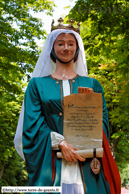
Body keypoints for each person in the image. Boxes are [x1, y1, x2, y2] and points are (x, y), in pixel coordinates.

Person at [14, 19, 121, 194]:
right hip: (52, 161)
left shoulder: (92, 84)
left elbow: (102, 125)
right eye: (60, 43)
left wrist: (88, 107)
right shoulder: (36, 85)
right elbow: (32, 124)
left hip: (85, 161)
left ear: (77, 48)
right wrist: (60, 142)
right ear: (52, 47)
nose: (66, 48)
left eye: (71, 44)